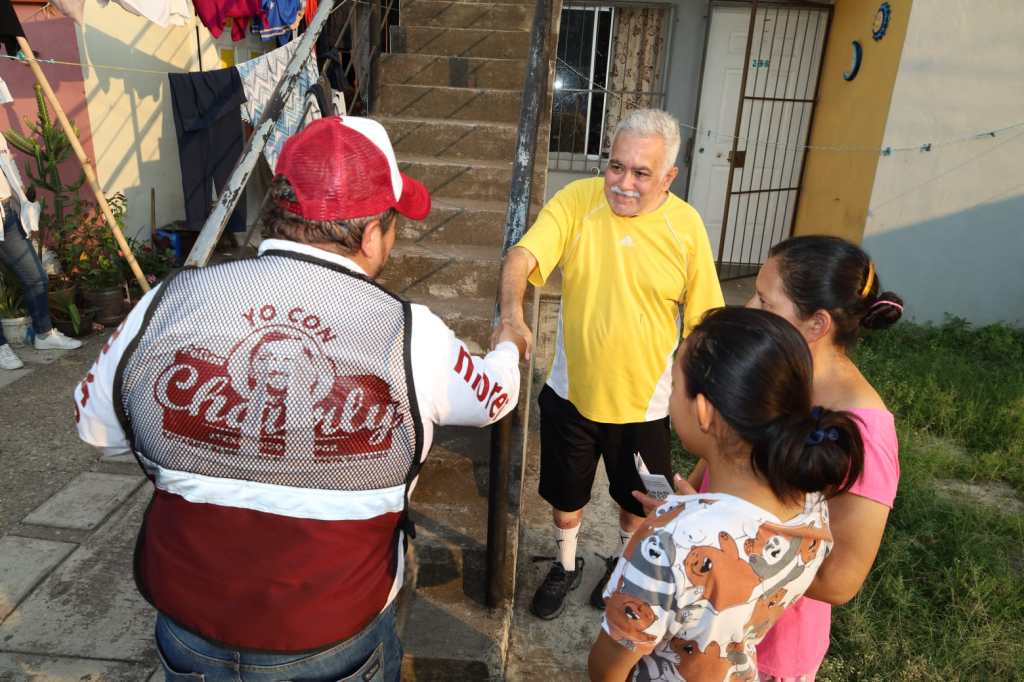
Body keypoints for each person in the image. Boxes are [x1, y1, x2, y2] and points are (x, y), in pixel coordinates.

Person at [73, 116, 525, 681]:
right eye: (393, 226)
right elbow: (494, 398)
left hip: (189, 624)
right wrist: (508, 342)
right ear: (371, 234)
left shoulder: (169, 298)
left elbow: (96, 427)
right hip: (331, 635)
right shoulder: (411, 333)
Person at [497, 108, 724, 620]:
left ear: (669, 177)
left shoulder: (686, 227)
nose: (623, 183)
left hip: (646, 405)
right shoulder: (578, 201)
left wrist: (703, 394)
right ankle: (566, 564)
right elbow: (522, 257)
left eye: (641, 173)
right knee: (565, 496)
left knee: (636, 501)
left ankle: (621, 566)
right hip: (571, 393)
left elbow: (705, 321)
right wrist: (511, 315)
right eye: (616, 166)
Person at [587, 306, 865, 681]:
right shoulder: (812, 500)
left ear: (704, 411)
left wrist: (678, 525)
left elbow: (607, 669)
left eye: (674, 384)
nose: (668, 395)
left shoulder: (666, 544)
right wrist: (691, 514)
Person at [685, 235, 903, 681]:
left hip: (762, 651)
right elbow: (719, 457)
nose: (749, 308)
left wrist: (708, 552)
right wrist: (686, 503)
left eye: (765, 301)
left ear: (817, 324)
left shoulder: (866, 435)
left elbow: (839, 581)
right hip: (702, 615)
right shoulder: (774, 372)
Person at [0, 132, 82, 370]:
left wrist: (24, 202)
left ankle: (44, 334)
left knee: (36, 277)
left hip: (6, 213)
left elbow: (8, 166)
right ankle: (1, 346)